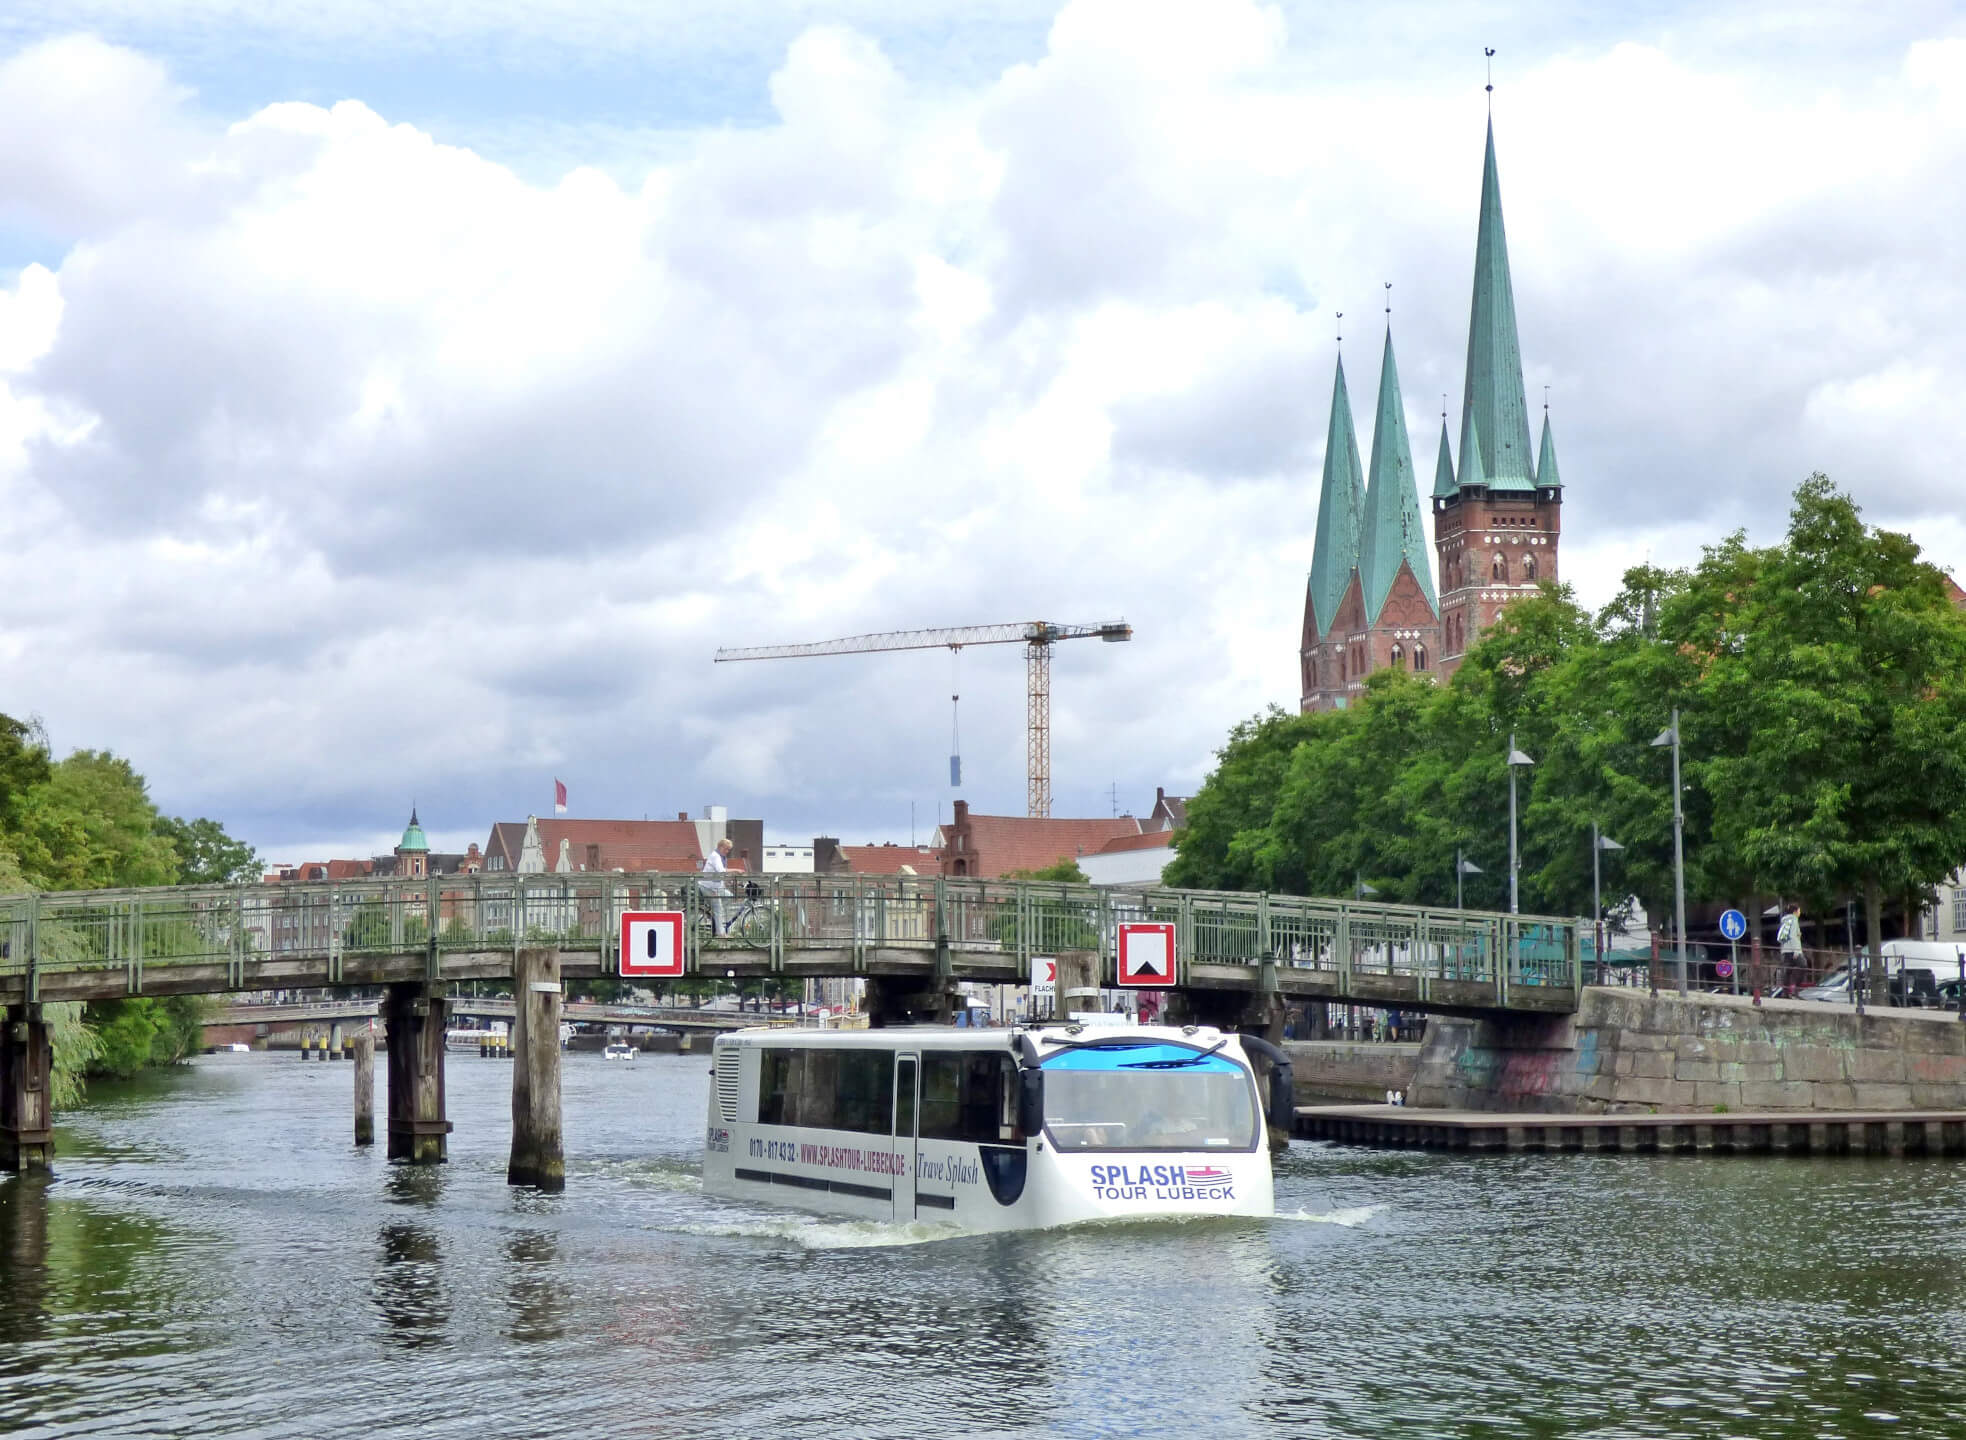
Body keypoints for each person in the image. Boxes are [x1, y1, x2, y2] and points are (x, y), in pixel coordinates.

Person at [700, 838, 733, 935]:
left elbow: (719, 875)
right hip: (708, 887)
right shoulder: (715, 856)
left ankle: (713, 914)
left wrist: (727, 882)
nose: (727, 851)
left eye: (728, 850)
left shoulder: (721, 857)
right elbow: (721, 871)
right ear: (720, 847)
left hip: (715, 887)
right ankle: (721, 934)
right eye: (726, 849)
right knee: (718, 908)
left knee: (729, 896)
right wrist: (736, 870)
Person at [1777, 902, 1803, 991]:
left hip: (1786, 949)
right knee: (1803, 965)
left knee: (1788, 970)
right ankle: (1796, 989)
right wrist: (1796, 950)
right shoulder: (1794, 920)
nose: (1800, 912)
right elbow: (1792, 936)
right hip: (1794, 950)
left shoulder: (1786, 920)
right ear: (1795, 912)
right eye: (1799, 910)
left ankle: (1786, 992)